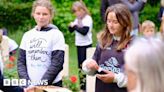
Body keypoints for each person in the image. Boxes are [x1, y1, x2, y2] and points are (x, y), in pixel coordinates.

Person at [82, 3, 133, 92]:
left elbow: (138, 78)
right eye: (109, 21)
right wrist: (89, 66)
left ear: (125, 22)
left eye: (115, 22)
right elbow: (94, 67)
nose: (111, 25)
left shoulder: (134, 44)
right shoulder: (103, 41)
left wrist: (115, 78)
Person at [17, 0, 65, 87]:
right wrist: (27, 84)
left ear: (51, 15)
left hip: (51, 86)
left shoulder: (56, 34)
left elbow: (57, 63)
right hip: (29, 87)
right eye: (38, 13)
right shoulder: (27, 35)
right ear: (33, 14)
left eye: (45, 14)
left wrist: (41, 85)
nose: (41, 17)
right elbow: (21, 62)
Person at [68, 1, 93, 91]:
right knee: (80, 66)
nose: (76, 13)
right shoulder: (77, 20)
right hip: (79, 44)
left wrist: (74, 26)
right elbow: (71, 30)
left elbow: (84, 31)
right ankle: (82, 87)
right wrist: (71, 26)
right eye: (75, 12)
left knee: (86, 66)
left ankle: (87, 86)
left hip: (86, 45)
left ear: (83, 10)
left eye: (78, 11)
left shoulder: (87, 19)